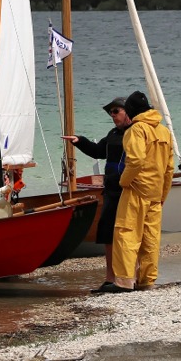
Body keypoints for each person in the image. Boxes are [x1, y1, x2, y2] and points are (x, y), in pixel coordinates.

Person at [104, 90, 174, 293]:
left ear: (132, 111)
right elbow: (169, 168)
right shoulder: (163, 131)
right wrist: (163, 195)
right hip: (155, 192)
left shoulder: (136, 129)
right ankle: (146, 281)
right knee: (150, 239)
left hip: (136, 189)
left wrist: (124, 182)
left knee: (126, 234)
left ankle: (124, 281)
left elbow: (135, 160)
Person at [63, 96, 132, 293]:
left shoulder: (136, 133)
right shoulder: (112, 134)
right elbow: (98, 152)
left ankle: (129, 277)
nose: (112, 116)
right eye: (110, 112)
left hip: (128, 191)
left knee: (126, 234)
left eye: (116, 111)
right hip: (110, 190)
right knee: (106, 233)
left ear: (128, 112)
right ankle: (110, 278)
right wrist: (80, 141)